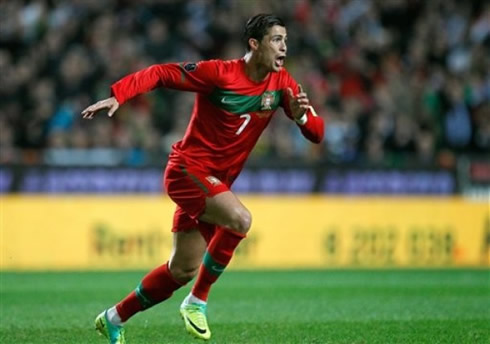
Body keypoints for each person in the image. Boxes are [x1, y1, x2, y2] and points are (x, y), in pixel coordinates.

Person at [82, 13, 324, 343]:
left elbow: (317, 133)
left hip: (213, 184)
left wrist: (301, 119)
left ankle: (113, 317)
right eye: (277, 40)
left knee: (181, 269)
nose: (284, 47)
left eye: (285, 40)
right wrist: (119, 94)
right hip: (187, 170)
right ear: (255, 44)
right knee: (240, 220)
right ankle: (196, 302)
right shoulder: (220, 74)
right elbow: (162, 73)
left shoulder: (283, 85)